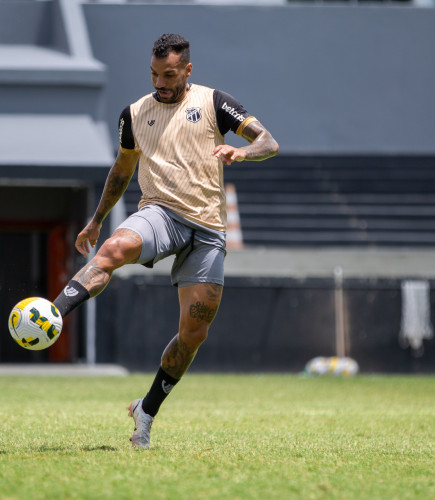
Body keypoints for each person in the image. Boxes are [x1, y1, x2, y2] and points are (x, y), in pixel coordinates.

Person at [52, 33, 279, 448]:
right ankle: (54, 312)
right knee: (114, 250)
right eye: (155, 74)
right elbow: (122, 170)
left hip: (208, 230)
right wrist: (97, 219)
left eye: (169, 75)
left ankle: (146, 410)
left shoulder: (214, 103)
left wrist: (241, 153)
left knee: (193, 334)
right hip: (160, 212)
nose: (161, 82)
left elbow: (269, 142)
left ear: (188, 70)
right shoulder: (135, 114)